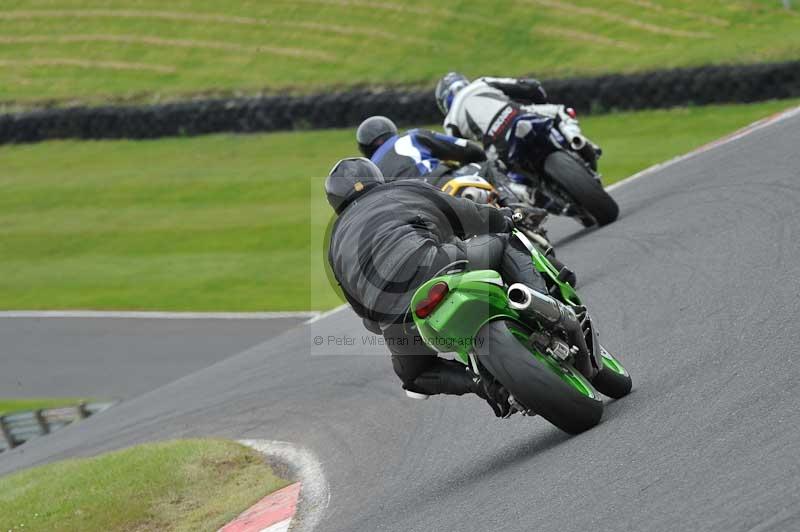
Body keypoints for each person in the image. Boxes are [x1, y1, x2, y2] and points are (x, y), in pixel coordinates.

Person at [324, 157, 561, 417]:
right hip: (438, 266)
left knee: (415, 376)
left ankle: (486, 386)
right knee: (503, 241)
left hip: (394, 314)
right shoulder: (403, 190)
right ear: (376, 176)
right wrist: (503, 219)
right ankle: (546, 310)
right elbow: (467, 213)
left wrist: (387, 322)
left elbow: (362, 311)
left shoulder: (335, 245)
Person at [356, 115, 486, 181]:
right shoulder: (410, 137)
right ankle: (507, 203)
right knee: (488, 167)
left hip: (408, 215)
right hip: (437, 184)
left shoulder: (370, 171)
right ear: (391, 131)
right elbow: (469, 150)